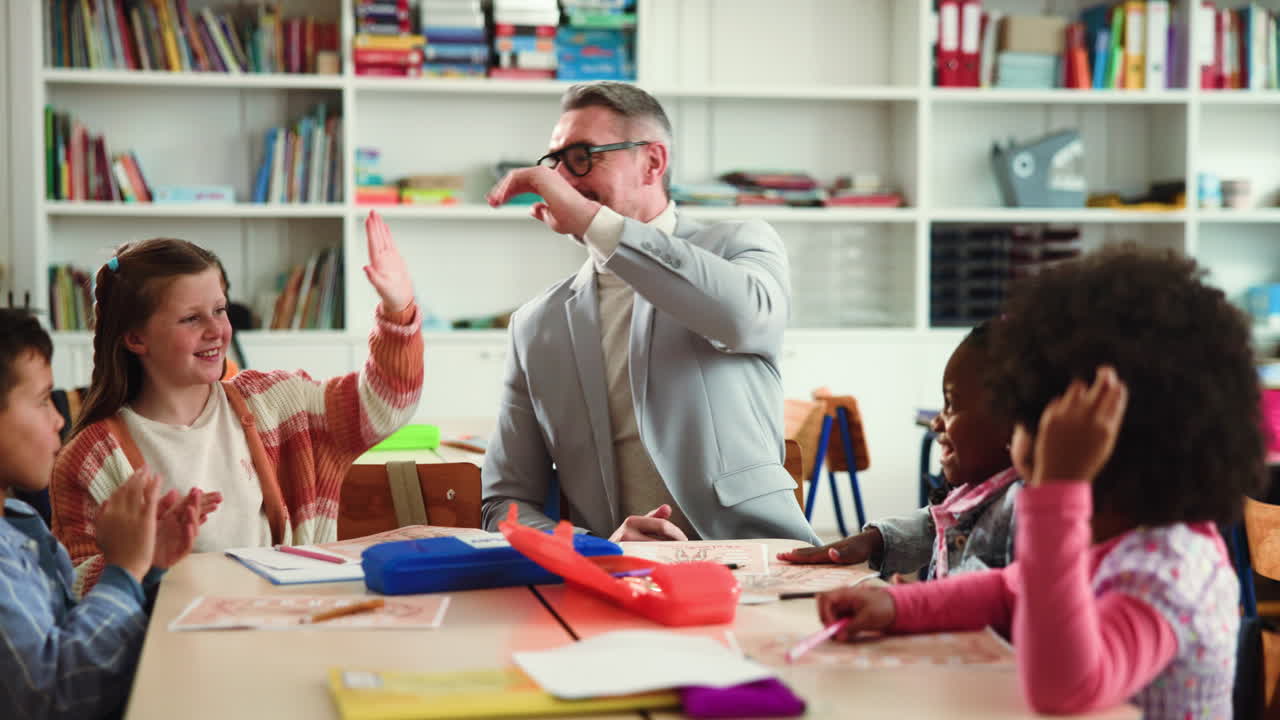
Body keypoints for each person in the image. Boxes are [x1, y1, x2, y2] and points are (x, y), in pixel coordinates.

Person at [816, 247, 1261, 718]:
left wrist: (1058, 492)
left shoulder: (1169, 573)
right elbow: (1009, 589)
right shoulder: (1114, 536)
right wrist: (897, 608)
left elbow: (1067, 689)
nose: (1014, 429)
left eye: (1023, 415)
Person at [480, 81, 818, 544]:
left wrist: (591, 221)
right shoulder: (536, 324)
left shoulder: (739, 245)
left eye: (582, 156)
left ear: (653, 162)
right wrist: (593, 548)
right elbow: (505, 504)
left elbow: (744, 319)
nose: (563, 181)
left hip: (752, 559)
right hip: (614, 579)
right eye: (555, 163)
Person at [52, 211, 424, 593]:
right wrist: (140, 555)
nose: (216, 330)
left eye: (220, 309)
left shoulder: (278, 404)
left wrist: (398, 310)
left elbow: (386, 404)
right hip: (175, 643)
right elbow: (75, 593)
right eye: (191, 319)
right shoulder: (89, 460)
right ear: (135, 339)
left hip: (288, 625)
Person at [0, 308, 210, 719]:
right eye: (43, 401)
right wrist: (123, 569)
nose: (59, 419)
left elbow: (77, 639)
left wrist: (146, 567)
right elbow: (57, 695)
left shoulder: (22, 522)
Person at [779, 322, 1019, 578]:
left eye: (951, 405)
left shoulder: (1023, 514)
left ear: (1014, 421)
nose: (937, 422)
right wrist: (872, 540)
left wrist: (917, 609)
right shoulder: (976, 493)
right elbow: (935, 524)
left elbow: (994, 607)